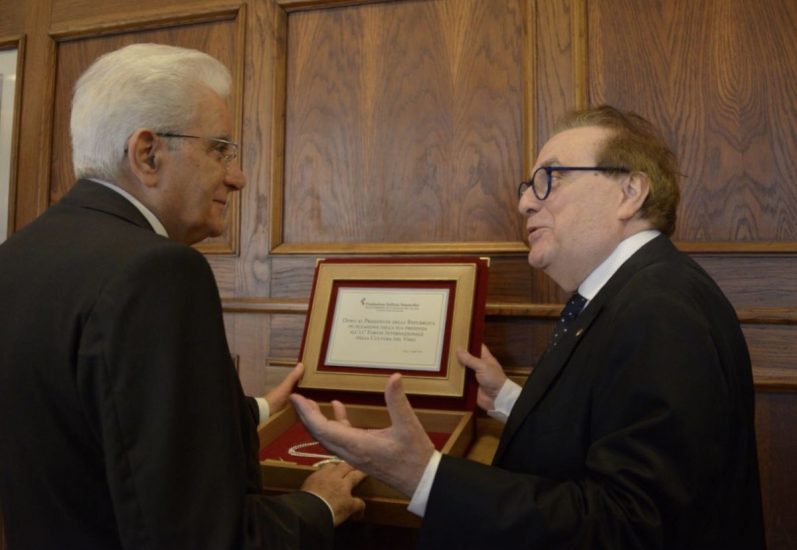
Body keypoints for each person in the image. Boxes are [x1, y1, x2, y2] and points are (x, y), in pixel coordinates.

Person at [290, 105, 766, 548]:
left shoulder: (660, 310)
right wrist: (505, 398)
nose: (524, 203)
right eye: (528, 185)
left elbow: (630, 527)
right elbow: (599, 427)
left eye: (549, 179)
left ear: (629, 192)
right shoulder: (634, 291)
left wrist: (423, 475)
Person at [0, 43, 365, 549]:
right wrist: (317, 506)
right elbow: (201, 538)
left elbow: (98, 421)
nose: (236, 177)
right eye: (219, 150)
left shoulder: (17, 254)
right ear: (147, 154)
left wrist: (252, 411)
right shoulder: (157, 270)